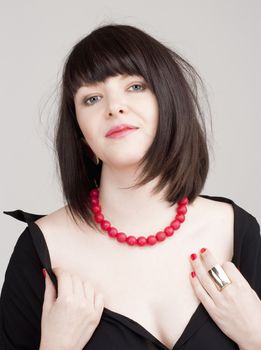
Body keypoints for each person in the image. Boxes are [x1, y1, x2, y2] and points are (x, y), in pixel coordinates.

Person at [1, 23, 261, 350]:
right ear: (81, 134)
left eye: (135, 86)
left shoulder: (237, 230)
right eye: (92, 98)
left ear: (168, 102)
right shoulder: (42, 250)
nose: (114, 107)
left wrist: (256, 336)